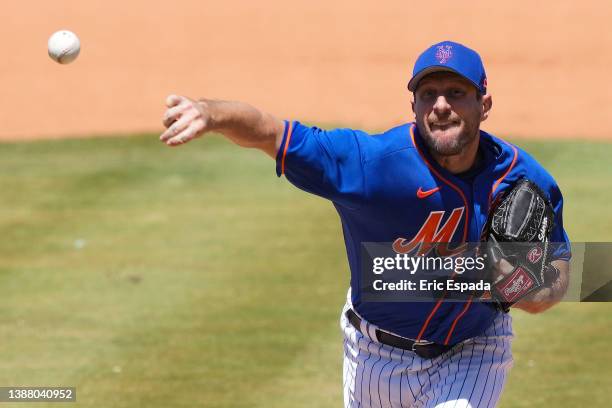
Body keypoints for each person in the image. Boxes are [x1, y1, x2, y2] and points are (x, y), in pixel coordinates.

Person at [159, 40, 571, 408]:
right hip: (374, 355)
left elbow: (560, 279)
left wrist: (518, 285)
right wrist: (210, 112)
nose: (441, 105)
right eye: (428, 94)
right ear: (414, 107)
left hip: (473, 349)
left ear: (484, 104)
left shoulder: (523, 179)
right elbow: (273, 132)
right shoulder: (372, 165)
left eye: (456, 93)